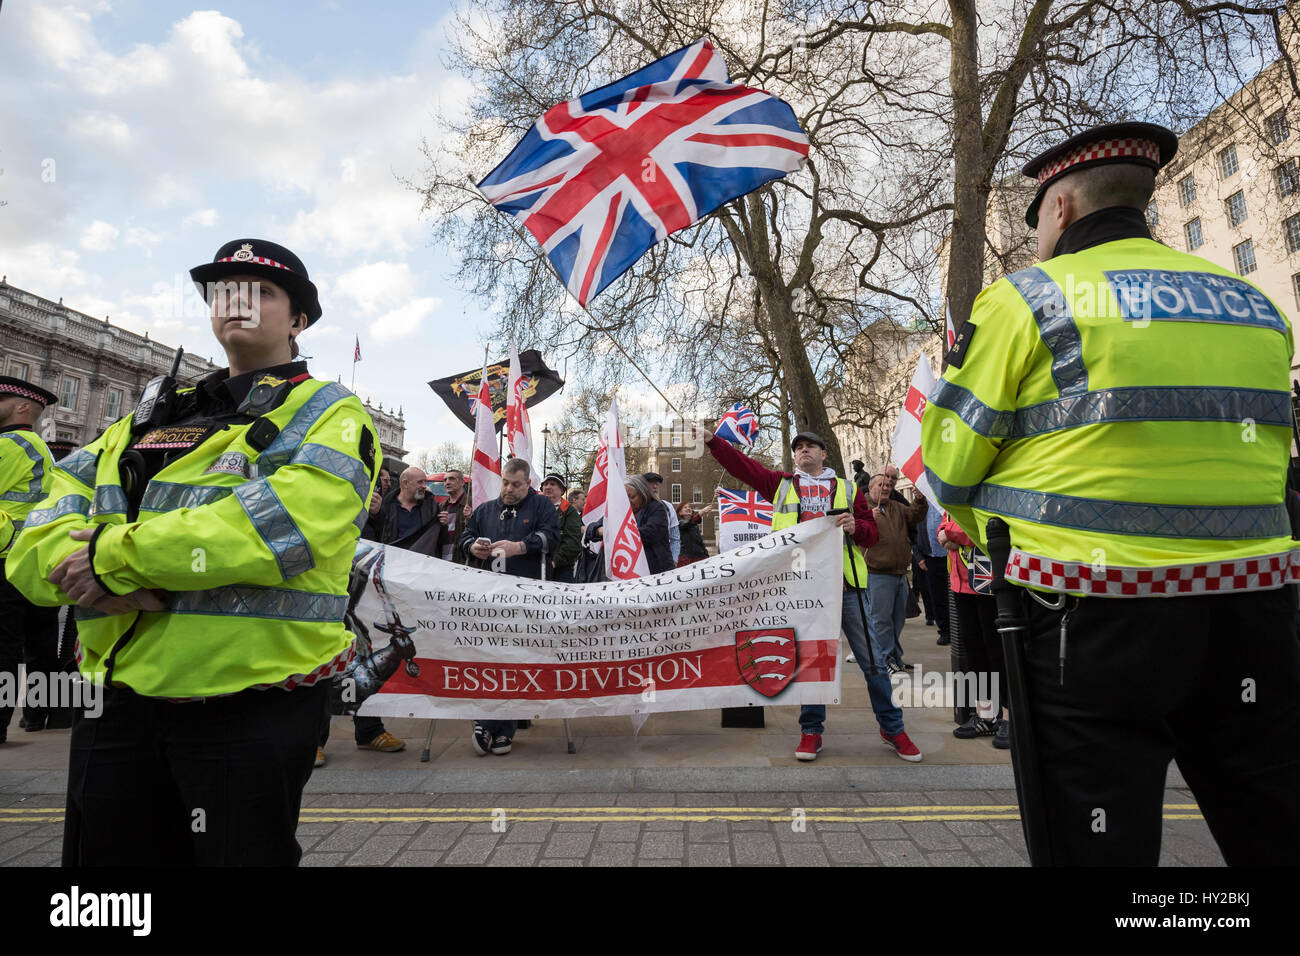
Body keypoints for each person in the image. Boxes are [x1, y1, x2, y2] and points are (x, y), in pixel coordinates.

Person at [921, 121, 1300, 866]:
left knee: (1098, 843)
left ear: (1059, 210)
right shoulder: (1253, 303)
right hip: (1254, 609)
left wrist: (998, 527)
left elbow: (950, 467)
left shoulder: (1026, 299)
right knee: (1274, 823)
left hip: (1091, 619)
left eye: (1036, 223)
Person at [8, 238, 381, 866]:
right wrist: (90, 568)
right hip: (118, 697)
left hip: (251, 700)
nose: (239, 302)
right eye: (224, 290)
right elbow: (35, 537)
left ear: (298, 320)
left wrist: (108, 559)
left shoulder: (328, 413)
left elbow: (281, 527)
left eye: (262, 291)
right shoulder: (142, 422)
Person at [695, 425, 923, 762]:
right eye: (798, 447)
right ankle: (811, 730)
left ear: (823, 453)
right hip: (802, 589)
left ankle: (892, 727)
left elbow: (872, 535)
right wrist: (714, 442)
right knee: (812, 662)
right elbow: (744, 466)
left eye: (810, 446)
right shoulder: (782, 485)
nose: (803, 451)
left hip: (847, 589)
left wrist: (855, 527)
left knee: (874, 661)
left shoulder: (847, 488)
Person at [461, 458, 559, 755]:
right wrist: (472, 547)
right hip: (488, 597)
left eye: (516, 484)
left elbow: (552, 536)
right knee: (488, 659)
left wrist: (520, 546)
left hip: (526, 595)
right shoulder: (486, 510)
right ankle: (483, 722)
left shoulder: (541, 506)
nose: (509, 489)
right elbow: (466, 535)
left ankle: (505, 729)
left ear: (528, 483)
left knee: (515, 661)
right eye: (505, 482)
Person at [0, 376, 60, 742]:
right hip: (36, 557)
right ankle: (41, 714)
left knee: (3, 644)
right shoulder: (38, 445)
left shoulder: (10, 444)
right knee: (39, 641)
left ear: (22, 407)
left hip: (6, 557)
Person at [938, 514, 1007, 748]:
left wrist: (949, 534)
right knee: (975, 652)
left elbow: (979, 528)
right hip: (962, 583)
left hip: (988, 583)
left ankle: (1008, 717)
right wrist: (948, 533)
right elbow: (945, 523)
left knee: (997, 652)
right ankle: (986, 715)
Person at [864, 473, 928, 674]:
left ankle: (894, 657)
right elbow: (852, 530)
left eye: (889, 485)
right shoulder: (862, 507)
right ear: (871, 487)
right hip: (877, 573)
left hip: (899, 572)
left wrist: (919, 499)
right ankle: (883, 660)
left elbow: (915, 516)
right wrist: (867, 518)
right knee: (881, 621)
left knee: (897, 620)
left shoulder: (896, 506)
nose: (886, 488)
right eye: (881, 484)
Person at [585, 475, 674, 576]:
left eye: (632, 497)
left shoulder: (657, 508)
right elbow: (590, 529)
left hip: (656, 570)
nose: (628, 501)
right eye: (624, 497)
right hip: (628, 573)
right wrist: (599, 530)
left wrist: (615, 531)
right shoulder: (620, 510)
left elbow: (651, 533)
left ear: (643, 493)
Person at [916, 503, 951, 645]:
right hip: (930, 557)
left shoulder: (945, 502)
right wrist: (918, 556)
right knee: (937, 597)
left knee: (954, 597)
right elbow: (912, 532)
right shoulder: (921, 506)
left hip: (952, 555)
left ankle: (957, 630)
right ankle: (944, 631)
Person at [540, 473, 582, 581]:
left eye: (553, 484)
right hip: (536, 567)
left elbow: (573, 542)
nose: (548, 487)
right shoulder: (534, 508)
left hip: (561, 570)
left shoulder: (569, 511)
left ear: (562, 490)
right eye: (545, 484)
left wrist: (555, 562)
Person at [642, 472, 680, 565]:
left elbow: (675, 537)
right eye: (651, 483)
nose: (655, 486)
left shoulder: (668, 507)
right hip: (642, 560)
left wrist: (674, 560)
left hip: (663, 560)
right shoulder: (637, 506)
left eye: (657, 484)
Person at [436, 468, 471, 564]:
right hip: (443, 560)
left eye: (451, 479)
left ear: (462, 482)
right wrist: (442, 525)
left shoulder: (472, 503)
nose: (447, 482)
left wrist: (470, 519)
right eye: (445, 480)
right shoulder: (440, 506)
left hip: (463, 561)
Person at [676, 501, 710, 566]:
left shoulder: (694, 525)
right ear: (680, 512)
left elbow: (700, 543)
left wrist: (706, 555)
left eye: (689, 507)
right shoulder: (680, 523)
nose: (688, 508)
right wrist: (700, 513)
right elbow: (688, 523)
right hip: (686, 560)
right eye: (685, 507)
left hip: (700, 558)